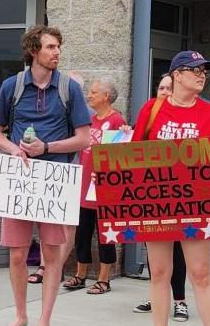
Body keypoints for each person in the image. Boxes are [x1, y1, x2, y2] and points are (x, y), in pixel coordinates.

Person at [0, 25, 91, 326]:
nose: (56, 52)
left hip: (54, 180)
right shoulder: (12, 86)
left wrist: (47, 146)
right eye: (49, 47)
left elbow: (84, 137)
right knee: (18, 254)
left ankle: (45, 319)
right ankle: (21, 315)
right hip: (19, 179)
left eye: (58, 46)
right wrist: (14, 149)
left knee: (52, 255)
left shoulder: (69, 88)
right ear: (34, 51)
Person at [129, 50, 210, 326]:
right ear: (177, 75)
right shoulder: (152, 109)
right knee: (159, 273)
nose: (202, 76)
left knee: (201, 274)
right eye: (195, 70)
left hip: (196, 203)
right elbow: (133, 153)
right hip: (158, 201)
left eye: (204, 72)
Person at [132, 72, 192, 321]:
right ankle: (157, 296)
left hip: (184, 194)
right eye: (161, 88)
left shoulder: (191, 112)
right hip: (154, 193)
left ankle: (179, 300)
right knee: (155, 252)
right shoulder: (150, 109)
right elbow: (134, 147)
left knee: (179, 250)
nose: (165, 92)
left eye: (169, 88)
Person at [65, 77, 125, 295]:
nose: (89, 95)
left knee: (104, 236)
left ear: (106, 97)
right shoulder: (90, 121)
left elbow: (117, 157)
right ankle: (80, 275)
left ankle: (104, 279)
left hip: (103, 190)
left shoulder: (116, 121)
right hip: (84, 188)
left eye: (94, 92)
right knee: (82, 234)